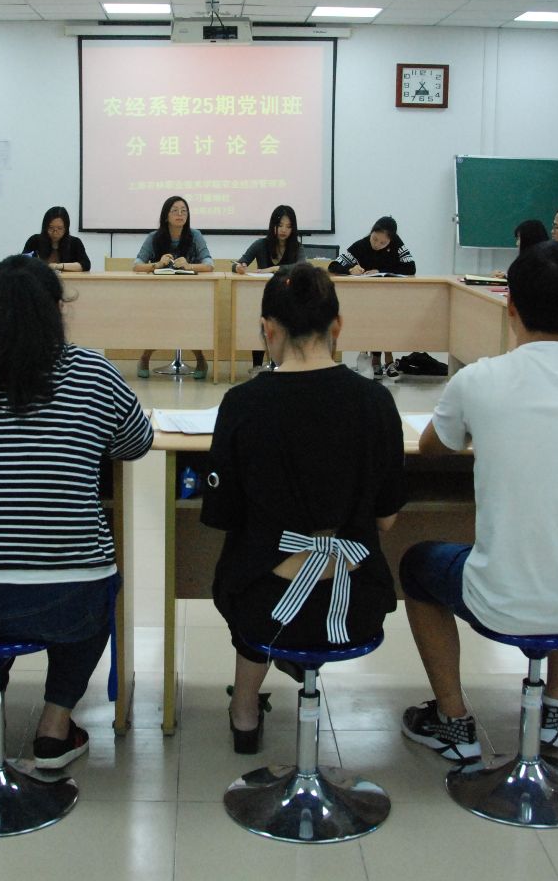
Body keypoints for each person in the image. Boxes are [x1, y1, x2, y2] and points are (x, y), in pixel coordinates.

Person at [401, 241, 558, 761]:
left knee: (417, 564)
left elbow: (433, 448)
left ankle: (453, 720)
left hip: (504, 601)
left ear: (510, 305)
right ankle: (555, 709)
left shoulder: (480, 380)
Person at [0, 256, 154, 769]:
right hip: (63, 598)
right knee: (93, 585)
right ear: (56, 312)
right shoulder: (91, 369)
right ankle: (54, 727)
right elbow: (137, 442)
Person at [203, 264, 404, 753]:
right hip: (355, 603)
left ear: (267, 329)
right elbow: (386, 519)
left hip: (264, 606)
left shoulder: (242, 404)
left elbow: (223, 516)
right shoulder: (376, 402)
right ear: (338, 327)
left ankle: (245, 711)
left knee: (246, 564)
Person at [133, 195, 214, 379]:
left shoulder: (195, 236)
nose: (180, 214)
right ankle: (145, 357)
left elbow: (209, 265)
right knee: (158, 320)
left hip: (189, 293)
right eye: (175, 211)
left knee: (191, 320)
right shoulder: (154, 237)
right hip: (160, 293)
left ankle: (200, 359)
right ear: (166, 216)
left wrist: (189, 266)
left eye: (184, 211)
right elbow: (137, 265)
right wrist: (157, 264)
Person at [329, 215, 417, 378]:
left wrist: (381, 270)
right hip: (364, 299)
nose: (377, 244)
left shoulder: (397, 244)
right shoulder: (361, 245)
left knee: (386, 315)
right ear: (371, 232)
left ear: (391, 240)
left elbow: (410, 267)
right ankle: (372, 358)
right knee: (371, 316)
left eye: (383, 243)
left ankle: (385, 359)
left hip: (388, 298)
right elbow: (333, 265)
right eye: (375, 239)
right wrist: (350, 270)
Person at [232, 205, 305, 370]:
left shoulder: (297, 247)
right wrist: (239, 267)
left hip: (288, 298)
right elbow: (238, 263)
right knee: (258, 319)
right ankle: (257, 366)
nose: (283, 230)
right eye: (280, 225)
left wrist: (274, 268)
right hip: (262, 297)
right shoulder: (261, 244)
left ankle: (285, 364)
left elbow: (302, 266)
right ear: (273, 225)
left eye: (288, 226)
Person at [21, 205, 91, 272]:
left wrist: (58, 266)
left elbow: (86, 265)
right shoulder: (34, 240)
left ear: (66, 228)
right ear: (45, 227)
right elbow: (22, 263)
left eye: (59, 228)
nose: (55, 233)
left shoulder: (75, 243)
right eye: (51, 228)